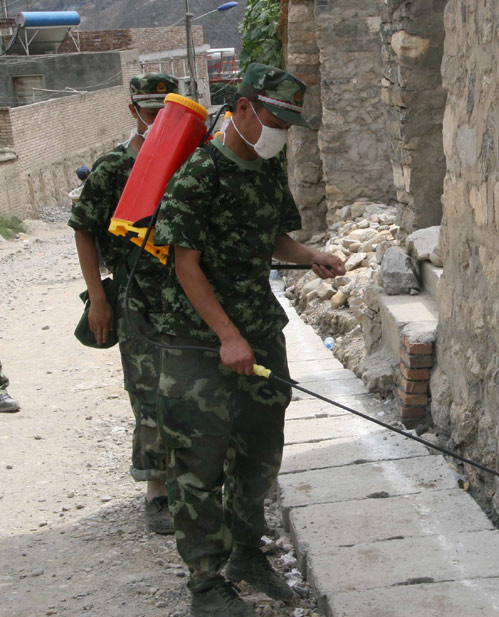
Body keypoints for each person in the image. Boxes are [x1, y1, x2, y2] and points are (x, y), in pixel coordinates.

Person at [153, 63, 345, 617]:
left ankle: (247, 554)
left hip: (259, 331)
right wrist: (228, 336)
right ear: (242, 108)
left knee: (260, 451)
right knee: (200, 461)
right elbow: (186, 265)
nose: (280, 133)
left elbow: (275, 237)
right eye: (274, 120)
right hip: (198, 344)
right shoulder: (198, 175)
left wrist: (311, 255)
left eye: (287, 124)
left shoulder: (266, 168)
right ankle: (206, 584)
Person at [68, 73, 180, 535]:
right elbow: (84, 229)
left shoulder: (191, 161)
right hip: (138, 298)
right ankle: (157, 488)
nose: (157, 121)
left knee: (196, 388)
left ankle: (199, 480)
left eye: (166, 114)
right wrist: (98, 297)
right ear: (133, 111)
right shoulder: (114, 167)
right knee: (148, 390)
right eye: (150, 112)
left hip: (191, 293)